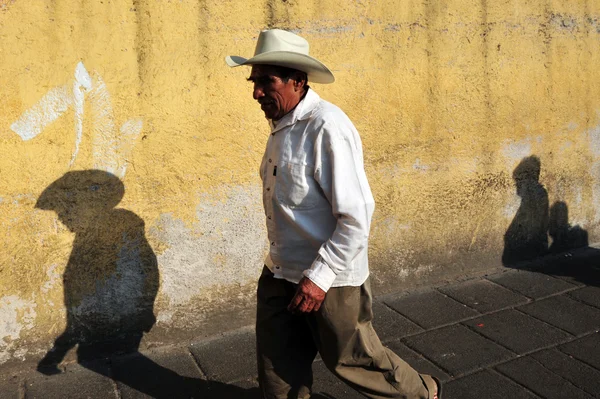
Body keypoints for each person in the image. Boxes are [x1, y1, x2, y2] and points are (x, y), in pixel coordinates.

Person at [226, 29, 441, 399]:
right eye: (254, 81)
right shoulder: (280, 125)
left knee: (355, 362)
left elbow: (356, 218)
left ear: (298, 81)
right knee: (277, 370)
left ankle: (421, 393)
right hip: (281, 271)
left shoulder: (328, 127)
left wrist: (318, 278)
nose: (256, 92)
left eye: (266, 81)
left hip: (331, 279)